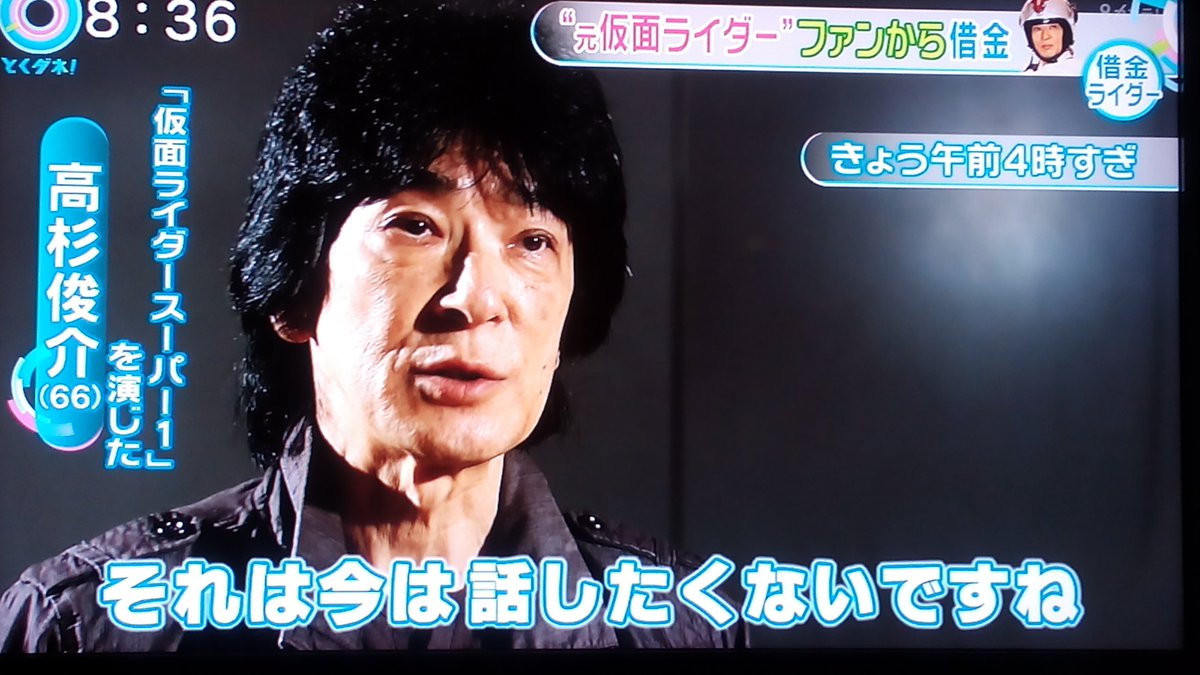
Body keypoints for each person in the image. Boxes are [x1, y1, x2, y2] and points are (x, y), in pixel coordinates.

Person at [0, 0, 746, 651]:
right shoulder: (88, 622)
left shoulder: (683, 622)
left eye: (531, 241)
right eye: (416, 225)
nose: (476, 297)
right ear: (294, 292)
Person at [1019, 0, 1081, 73]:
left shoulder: (1077, 72)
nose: (1045, 36)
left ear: (1066, 34)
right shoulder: (1028, 72)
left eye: (1053, 27)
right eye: (1037, 29)